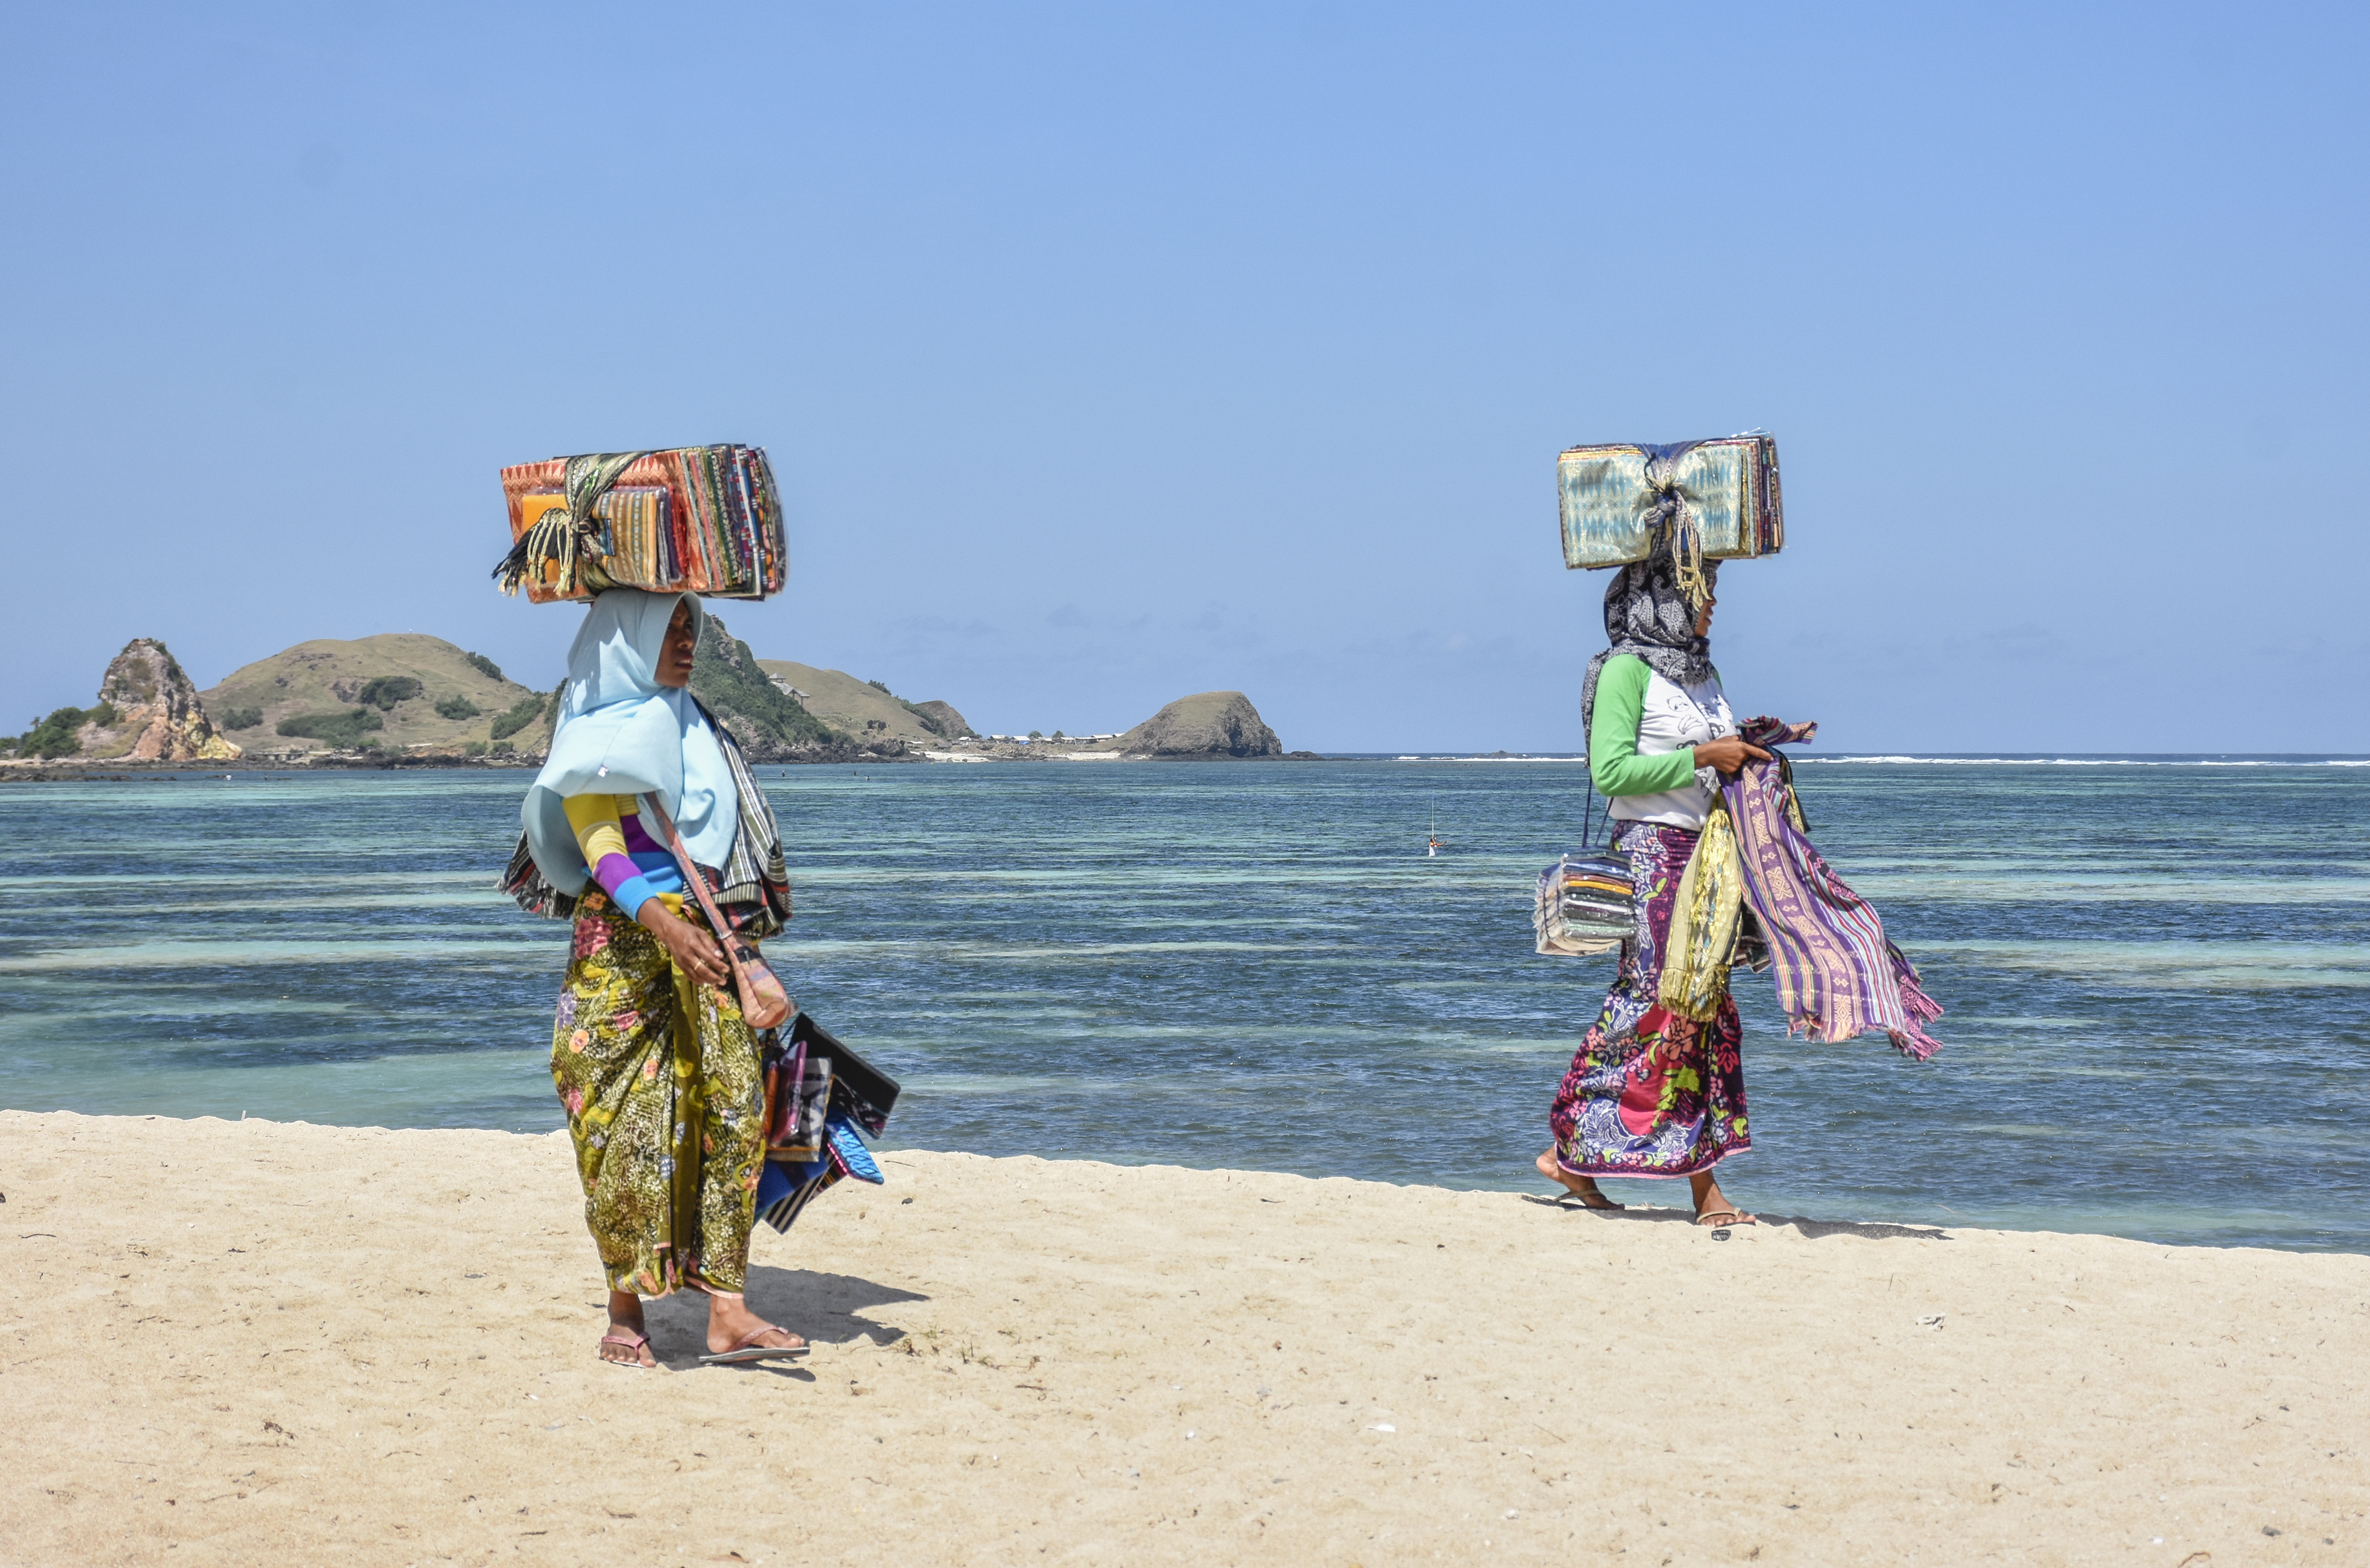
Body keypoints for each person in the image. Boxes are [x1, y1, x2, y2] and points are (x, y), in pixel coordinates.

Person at [511, 588, 802, 1367]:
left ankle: (728, 1308)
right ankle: (625, 1301)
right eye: (669, 628)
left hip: (705, 932)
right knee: (618, 1112)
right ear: (627, 638)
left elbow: (718, 847)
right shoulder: (595, 726)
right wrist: (665, 927)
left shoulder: (698, 727)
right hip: (627, 937)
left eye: (690, 626)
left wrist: (715, 933)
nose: (685, 641)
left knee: (734, 1105)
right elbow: (601, 842)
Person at [1536, 553, 1771, 1226]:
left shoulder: (1701, 673)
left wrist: (1754, 744)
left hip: (1707, 856)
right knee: (1664, 1005)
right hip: (1651, 855)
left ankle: (1572, 1153)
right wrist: (1703, 756)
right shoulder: (1622, 670)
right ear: (1661, 599)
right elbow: (1609, 771)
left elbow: (1711, 755)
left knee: (1700, 1008)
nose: (1713, 604)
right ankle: (1692, 1187)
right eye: (1704, 589)